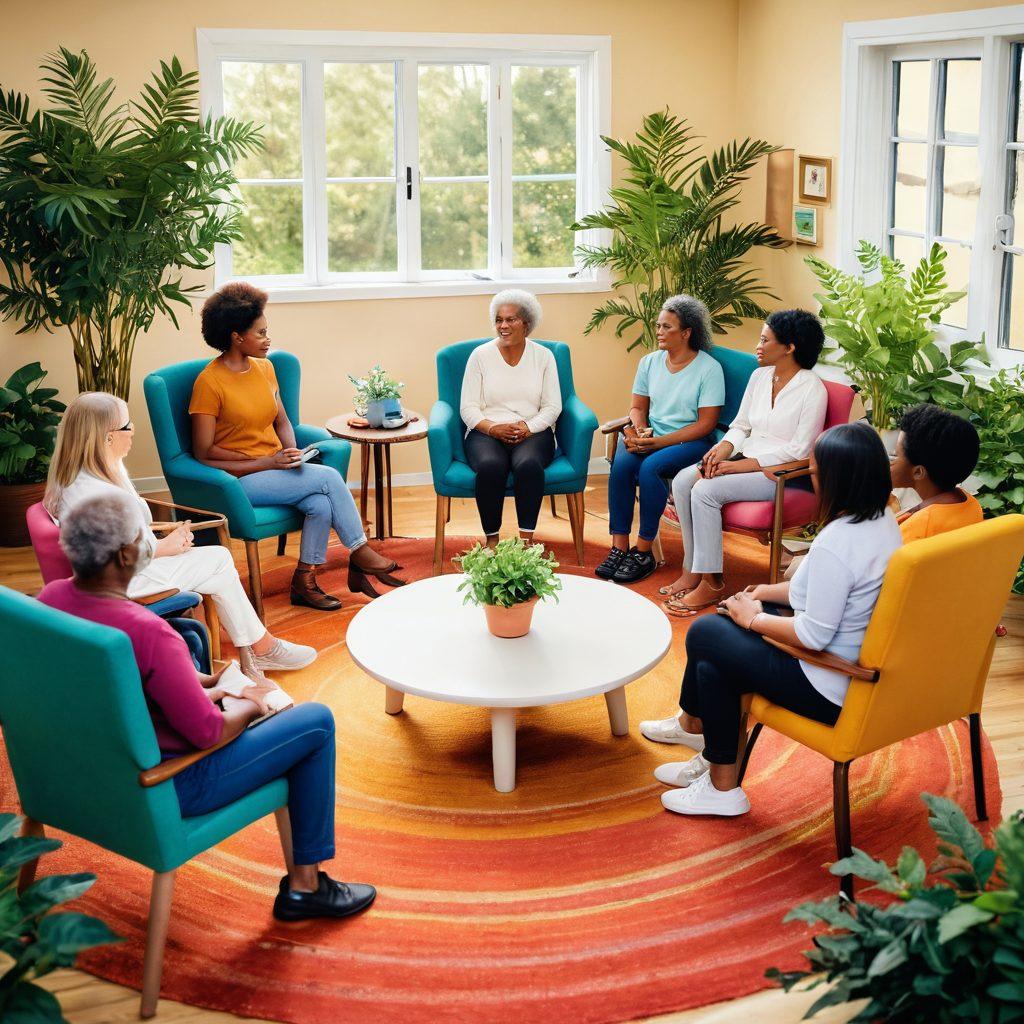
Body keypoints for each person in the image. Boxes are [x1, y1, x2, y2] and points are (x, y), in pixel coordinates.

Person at [38, 490, 375, 920]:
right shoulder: (147, 632)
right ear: (125, 556)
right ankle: (306, 887)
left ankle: (307, 880)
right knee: (314, 723)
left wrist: (211, 684)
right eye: (141, 538)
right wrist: (252, 704)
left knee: (208, 659)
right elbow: (208, 733)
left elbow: (123, 683)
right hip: (169, 784)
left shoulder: (51, 601)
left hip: (86, 777)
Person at [649, 423, 900, 816]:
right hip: (844, 667)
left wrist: (752, 620)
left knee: (707, 632)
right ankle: (716, 771)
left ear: (839, 480)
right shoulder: (880, 522)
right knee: (720, 651)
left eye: (815, 473)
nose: (812, 481)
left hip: (826, 683)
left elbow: (813, 635)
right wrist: (762, 594)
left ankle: (705, 747)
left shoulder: (839, 541)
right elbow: (825, 592)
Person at [44, 391, 314, 678]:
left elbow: (112, 538)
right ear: (106, 438)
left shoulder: (82, 476)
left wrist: (159, 541)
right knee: (220, 560)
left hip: (114, 573)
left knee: (217, 566)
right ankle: (261, 650)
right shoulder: (100, 493)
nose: (133, 430)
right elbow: (116, 555)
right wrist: (166, 547)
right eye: (127, 426)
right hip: (126, 581)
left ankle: (257, 651)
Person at [190, 282, 404, 611]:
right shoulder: (209, 382)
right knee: (329, 479)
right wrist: (268, 461)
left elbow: (282, 422)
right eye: (260, 333)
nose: (268, 338)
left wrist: (291, 454)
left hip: (274, 468)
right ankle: (359, 551)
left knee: (319, 503)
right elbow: (204, 452)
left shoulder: (264, 368)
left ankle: (304, 582)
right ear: (236, 336)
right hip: (238, 479)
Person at [660, 309, 829, 620]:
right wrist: (724, 448)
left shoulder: (812, 389)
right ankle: (691, 570)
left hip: (780, 474)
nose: (758, 346)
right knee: (685, 481)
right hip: (744, 457)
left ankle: (712, 582)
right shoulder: (759, 376)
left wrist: (743, 466)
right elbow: (741, 425)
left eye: (765, 340)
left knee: (705, 491)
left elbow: (800, 450)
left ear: (789, 347)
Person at [596, 295, 725, 585]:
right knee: (622, 464)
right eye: (658, 326)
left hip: (691, 441)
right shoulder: (649, 362)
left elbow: (706, 425)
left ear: (687, 332)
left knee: (649, 468)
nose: (659, 332)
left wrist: (657, 443)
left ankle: (643, 551)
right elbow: (637, 408)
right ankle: (619, 547)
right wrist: (641, 430)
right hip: (653, 437)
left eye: (667, 327)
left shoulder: (708, 369)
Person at [460, 289, 561, 545]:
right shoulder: (480, 356)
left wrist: (527, 427)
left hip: (533, 430)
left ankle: (526, 542)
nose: (503, 326)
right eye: (498, 320)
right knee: (491, 466)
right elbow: (468, 408)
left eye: (511, 319)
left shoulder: (544, 357)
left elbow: (552, 407)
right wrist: (494, 429)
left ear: (527, 324)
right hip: (486, 431)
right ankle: (492, 542)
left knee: (528, 465)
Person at [890, 403, 982, 542]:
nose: (889, 461)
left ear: (918, 472)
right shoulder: (972, 505)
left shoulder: (913, 531)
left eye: (895, 455)